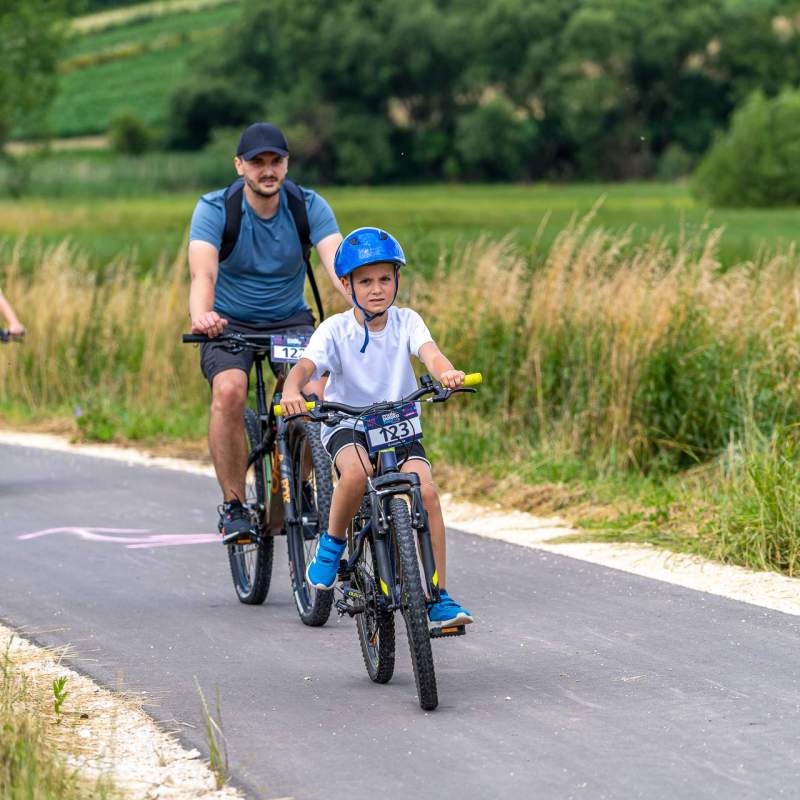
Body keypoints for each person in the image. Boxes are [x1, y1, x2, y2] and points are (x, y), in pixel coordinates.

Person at [280, 227, 473, 627]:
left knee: (428, 492)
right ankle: (331, 547)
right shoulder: (335, 329)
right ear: (347, 284)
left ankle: (438, 596)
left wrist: (447, 372)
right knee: (355, 473)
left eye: (385, 279)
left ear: (397, 280)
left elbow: (430, 354)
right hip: (347, 422)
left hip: (397, 425)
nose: (376, 289)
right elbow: (305, 366)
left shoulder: (407, 322)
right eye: (365, 281)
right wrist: (291, 387)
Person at [188, 122, 347, 541]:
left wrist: (363, 306)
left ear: (286, 164)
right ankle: (235, 506)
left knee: (313, 396)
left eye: (275, 160)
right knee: (229, 391)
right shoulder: (216, 208)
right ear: (239, 165)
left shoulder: (308, 206)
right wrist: (202, 315)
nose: (267, 169)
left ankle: (303, 482)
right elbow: (202, 272)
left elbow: (337, 264)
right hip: (228, 321)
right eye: (257, 162)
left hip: (289, 320)